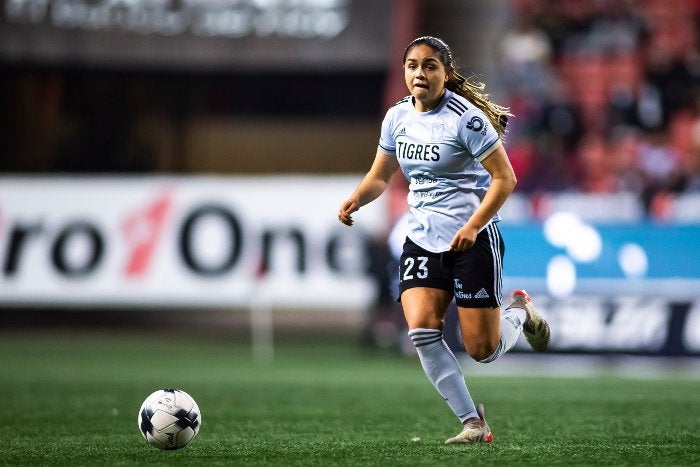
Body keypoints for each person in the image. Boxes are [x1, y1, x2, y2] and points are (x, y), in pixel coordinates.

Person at [337, 36, 550, 444]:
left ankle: (520, 310)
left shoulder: (466, 119)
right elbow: (382, 175)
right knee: (421, 330)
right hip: (421, 239)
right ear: (404, 72)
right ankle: (473, 422)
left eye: (430, 65)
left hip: (472, 240)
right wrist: (356, 199)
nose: (420, 72)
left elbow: (506, 179)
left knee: (483, 349)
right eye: (413, 65)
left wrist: (472, 226)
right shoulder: (397, 117)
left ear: (446, 73)